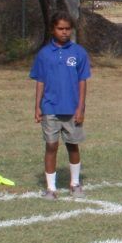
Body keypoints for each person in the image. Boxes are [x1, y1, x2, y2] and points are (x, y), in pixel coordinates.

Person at [30, 14, 90, 199]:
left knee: (73, 146)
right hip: (50, 108)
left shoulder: (79, 52)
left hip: (71, 109)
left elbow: (82, 81)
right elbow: (40, 81)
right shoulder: (44, 54)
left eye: (67, 29)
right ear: (52, 30)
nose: (64, 32)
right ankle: (51, 188)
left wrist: (80, 108)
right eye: (60, 29)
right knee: (51, 146)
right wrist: (37, 106)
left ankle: (75, 183)